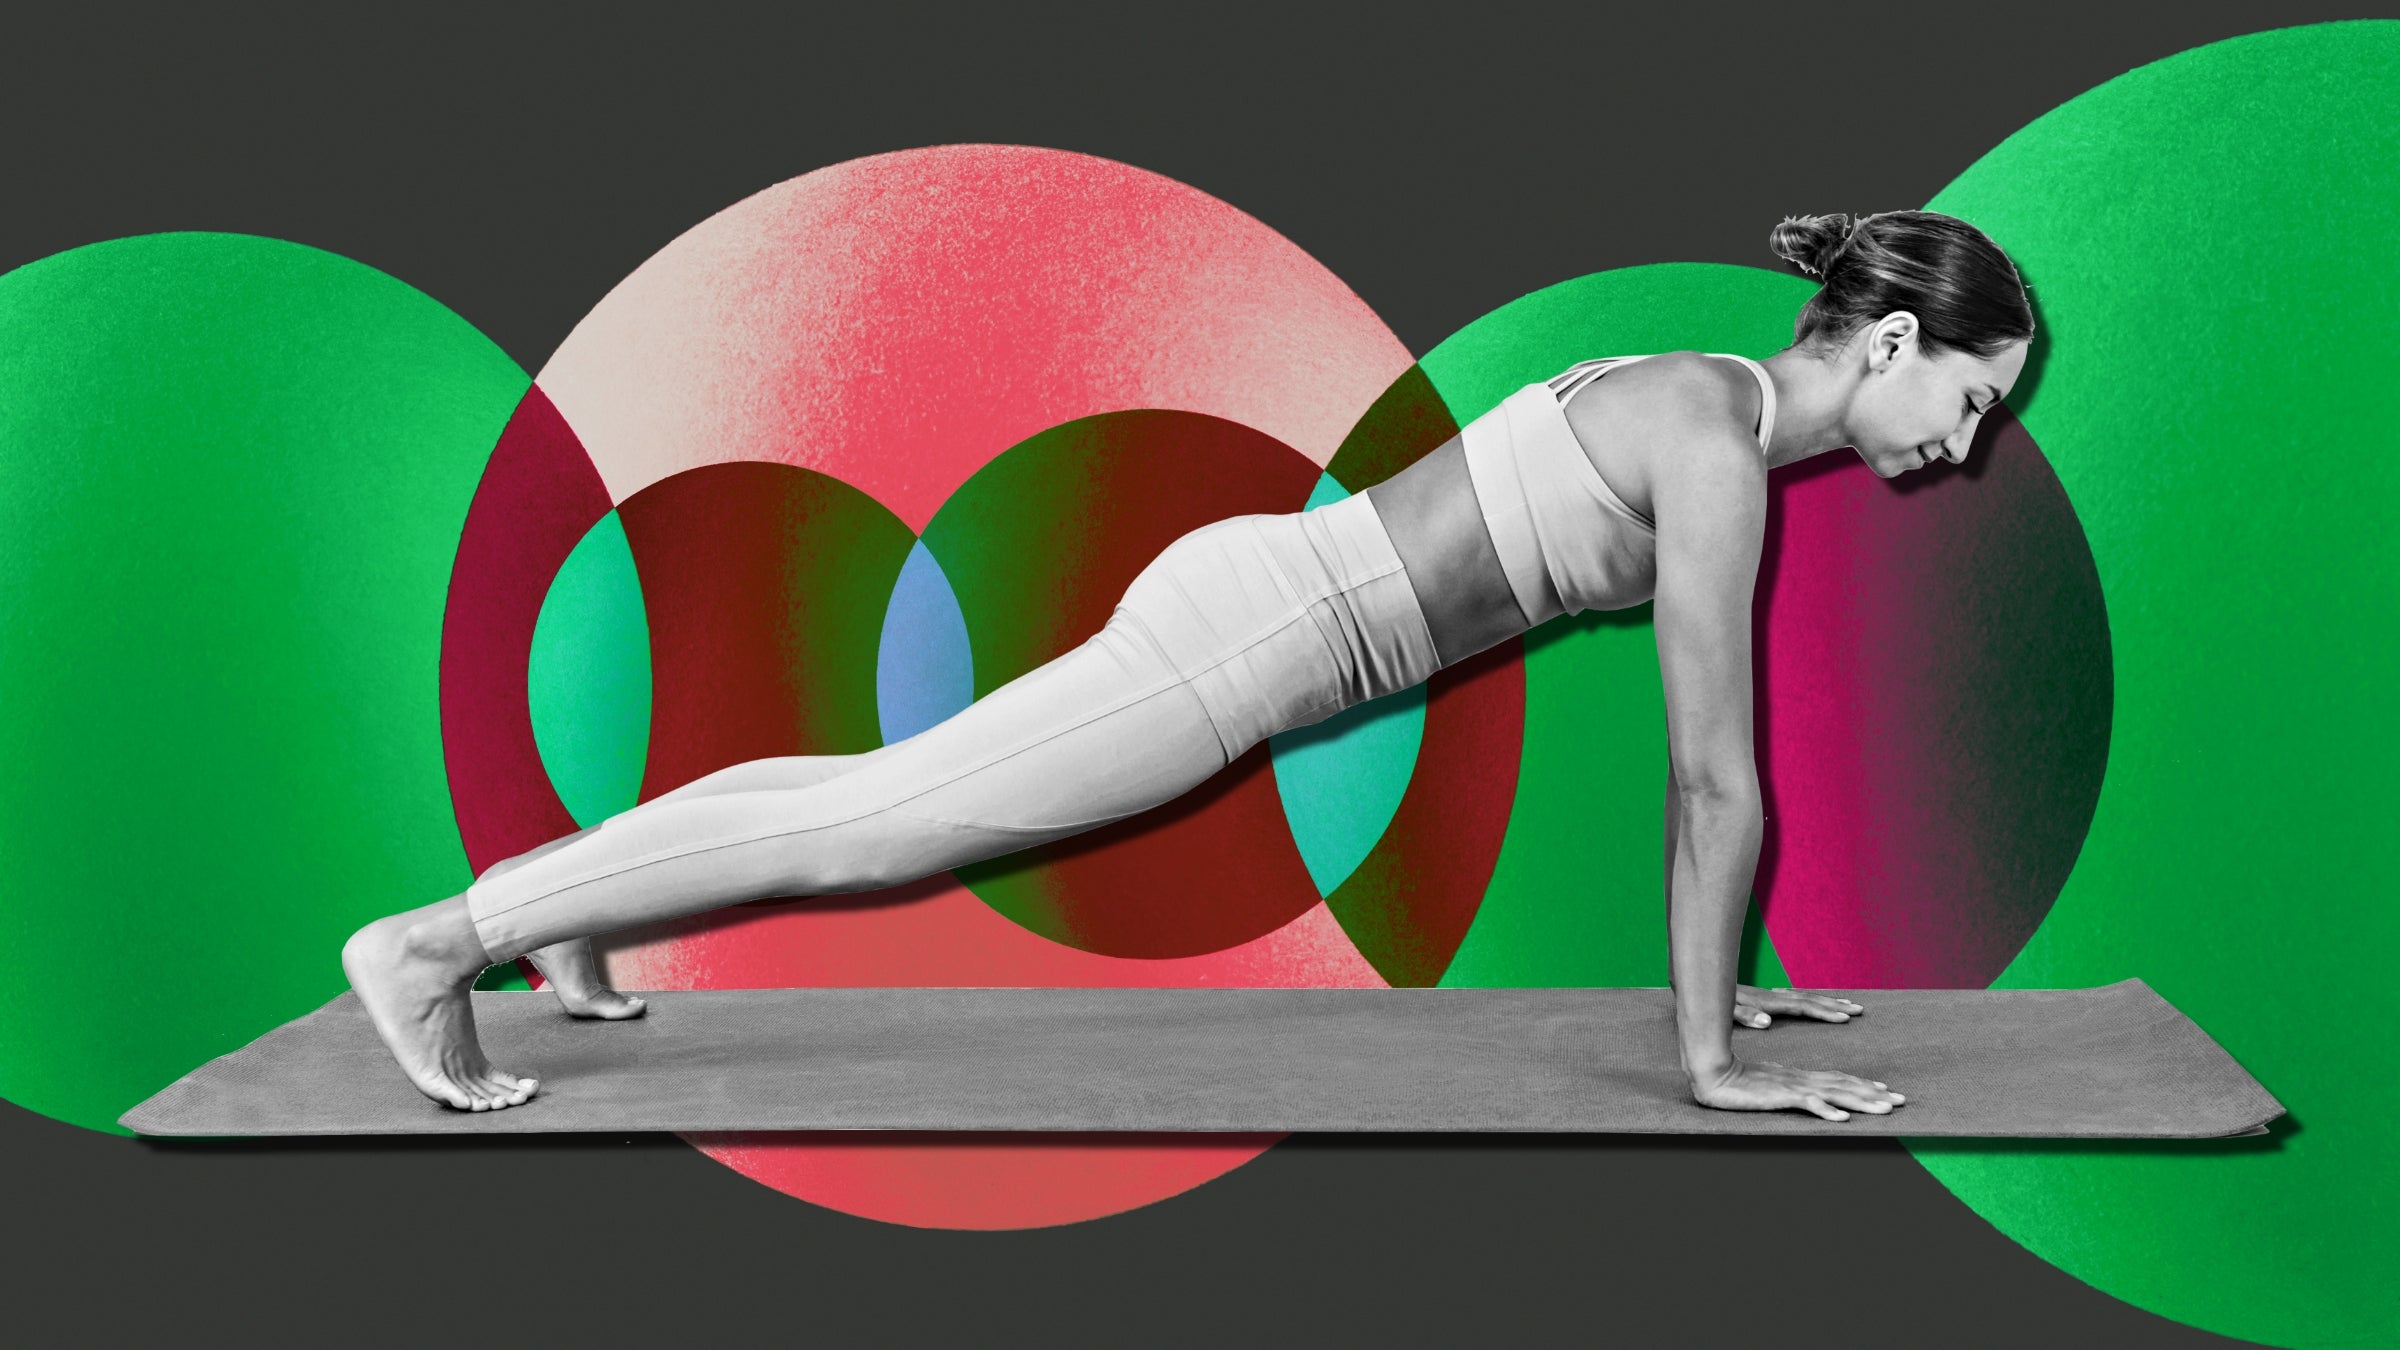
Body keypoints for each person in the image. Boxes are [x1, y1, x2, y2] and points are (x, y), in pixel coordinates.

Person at [343, 209, 2033, 1119]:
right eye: (1967, 401)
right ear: (1890, 342)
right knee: (881, 820)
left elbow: (1704, 777)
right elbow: (1714, 777)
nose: (1959, 451)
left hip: (1262, 604)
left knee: (872, 797)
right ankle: (438, 941)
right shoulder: (1719, 448)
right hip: (1253, 642)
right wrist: (1712, 1062)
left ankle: (555, 904)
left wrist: (1712, 978)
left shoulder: (1696, 394)